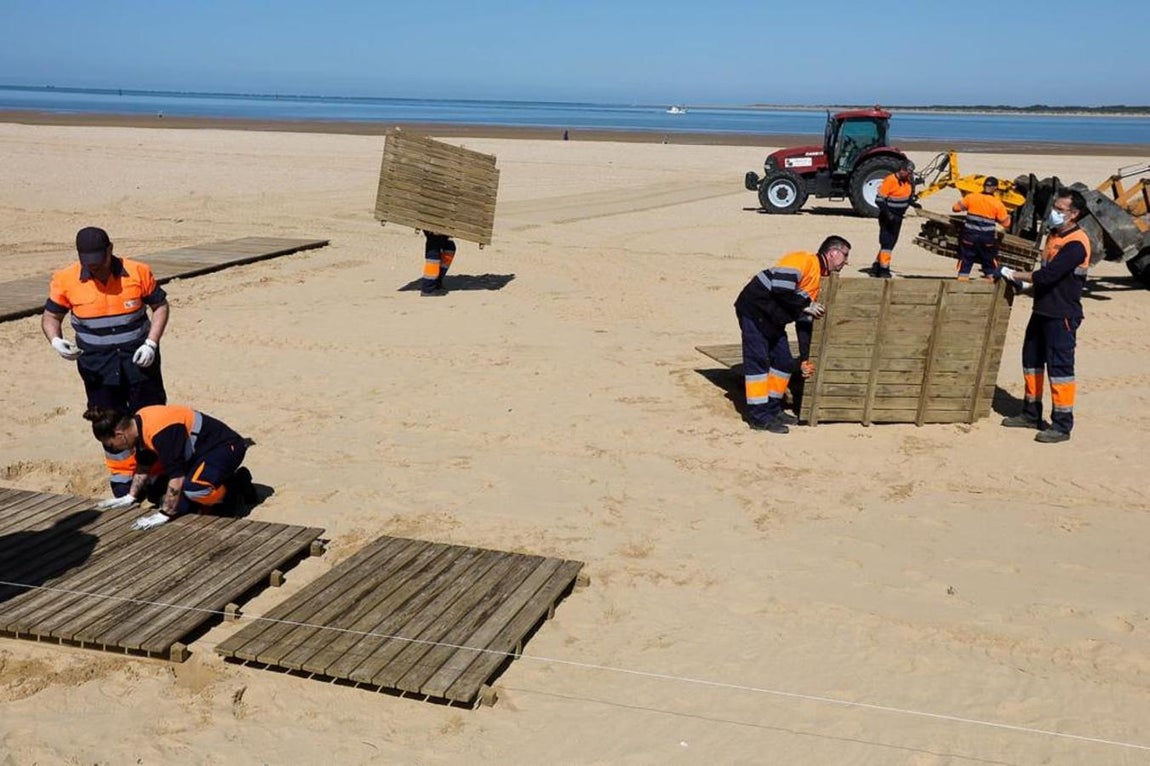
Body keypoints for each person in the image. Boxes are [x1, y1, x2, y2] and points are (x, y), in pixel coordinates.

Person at [43, 227, 170, 497]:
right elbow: (51, 317)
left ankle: (155, 472)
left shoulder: (138, 272)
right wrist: (56, 341)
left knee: (149, 418)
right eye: (88, 263)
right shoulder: (65, 279)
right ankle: (122, 476)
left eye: (99, 261)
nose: (95, 268)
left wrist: (151, 342)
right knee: (107, 422)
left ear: (110, 250)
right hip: (97, 368)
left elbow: (160, 307)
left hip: (139, 362)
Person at [998, 189, 1090, 443]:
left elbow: (1048, 276)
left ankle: (1061, 425)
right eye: (1054, 208)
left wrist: (1013, 274)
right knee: (1032, 362)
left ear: (1074, 214)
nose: (1054, 213)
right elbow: (1047, 278)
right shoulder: (1054, 236)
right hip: (1042, 310)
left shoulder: (1076, 243)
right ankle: (1031, 413)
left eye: (1060, 210)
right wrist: (1026, 287)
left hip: (1062, 316)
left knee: (1060, 370)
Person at [734, 236, 852, 433]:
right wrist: (806, 305)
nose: (847, 262)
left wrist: (806, 358)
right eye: (845, 255)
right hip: (754, 311)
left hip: (773, 319)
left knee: (784, 362)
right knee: (758, 363)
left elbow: (804, 322)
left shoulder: (819, 280)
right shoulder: (802, 260)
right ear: (833, 253)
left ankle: (773, 410)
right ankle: (759, 417)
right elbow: (781, 289)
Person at [84, 404, 256, 529]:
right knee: (176, 502)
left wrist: (164, 514)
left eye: (111, 444)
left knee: (195, 489)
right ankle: (221, 484)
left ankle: (235, 487)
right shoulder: (139, 424)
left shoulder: (161, 433)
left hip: (225, 448)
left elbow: (177, 477)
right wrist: (130, 496)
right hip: (201, 455)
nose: (114, 449)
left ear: (120, 435)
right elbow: (144, 465)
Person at [953, 177, 1011, 280]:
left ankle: (962, 280)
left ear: (983, 186)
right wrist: (1007, 217)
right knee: (988, 262)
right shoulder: (997, 204)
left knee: (966, 260)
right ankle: (991, 280)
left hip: (969, 237)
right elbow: (1006, 224)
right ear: (995, 188)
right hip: (986, 239)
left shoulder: (971, 197)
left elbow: (955, 208)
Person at [870, 160, 915, 278]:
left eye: (911, 173)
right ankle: (884, 270)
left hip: (898, 217)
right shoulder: (890, 180)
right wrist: (888, 214)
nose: (910, 175)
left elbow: (906, 195)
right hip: (888, 216)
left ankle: (876, 266)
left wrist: (912, 203)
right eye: (908, 172)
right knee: (887, 242)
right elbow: (879, 200)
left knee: (891, 243)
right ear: (902, 170)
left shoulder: (908, 181)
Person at [421, 231, 456, 296]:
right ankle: (428, 288)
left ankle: (436, 281)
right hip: (433, 230)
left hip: (441, 229)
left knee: (449, 247)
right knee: (434, 249)